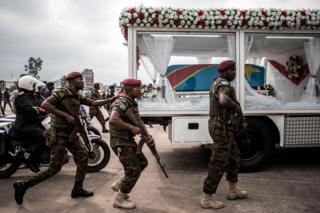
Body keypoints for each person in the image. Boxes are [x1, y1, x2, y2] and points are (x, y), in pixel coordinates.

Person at [13, 71, 116, 205]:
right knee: (55, 168)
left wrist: (110, 100)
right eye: (80, 79)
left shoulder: (76, 95)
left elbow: (93, 103)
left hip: (71, 134)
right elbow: (45, 105)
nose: (83, 82)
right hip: (60, 134)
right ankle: (23, 185)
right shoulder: (62, 92)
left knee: (83, 157)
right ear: (71, 81)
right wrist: (65, 115)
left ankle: (77, 189)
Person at [200, 60, 248, 210]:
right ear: (224, 72)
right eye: (232, 70)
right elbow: (223, 100)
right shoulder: (223, 84)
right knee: (218, 161)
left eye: (235, 70)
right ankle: (207, 198)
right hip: (220, 127)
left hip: (224, 127)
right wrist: (235, 106)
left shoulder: (221, 82)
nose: (234, 73)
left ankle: (233, 190)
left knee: (235, 157)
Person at [109, 78, 149, 209]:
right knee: (133, 170)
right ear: (129, 89)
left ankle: (121, 183)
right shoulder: (122, 102)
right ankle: (119, 199)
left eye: (139, 87)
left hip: (127, 140)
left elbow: (138, 121)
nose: (139, 90)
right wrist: (131, 128)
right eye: (137, 88)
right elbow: (113, 119)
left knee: (142, 163)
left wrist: (146, 135)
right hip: (120, 141)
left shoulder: (131, 102)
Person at [11, 76, 47, 173]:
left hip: (32, 124)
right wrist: (37, 109)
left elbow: (41, 105)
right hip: (24, 127)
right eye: (33, 85)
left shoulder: (32, 96)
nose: (35, 86)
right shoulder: (21, 98)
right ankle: (29, 158)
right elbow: (30, 108)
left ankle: (39, 158)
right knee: (43, 137)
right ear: (28, 85)